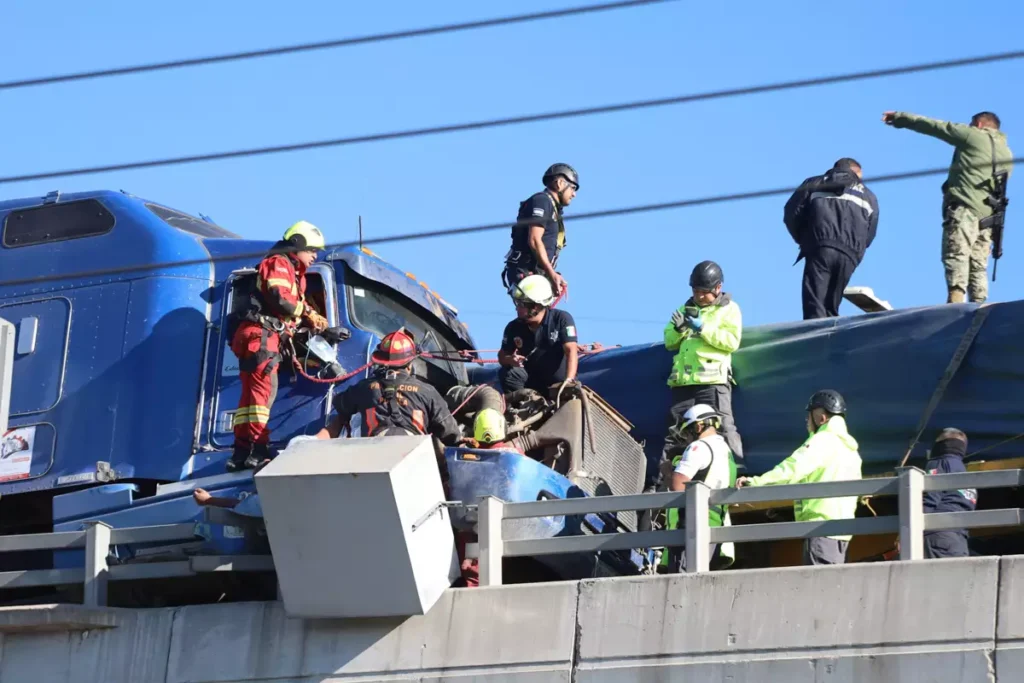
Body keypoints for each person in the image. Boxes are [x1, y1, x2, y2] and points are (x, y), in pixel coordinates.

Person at [229, 221, 333, 472]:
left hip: (257, 336)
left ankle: (241, 451)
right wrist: (308, 312)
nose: (314, 256)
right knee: (262, 396)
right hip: (260, 337)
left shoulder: (289, 269)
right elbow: (280, 298)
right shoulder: (280, 264)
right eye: (311, 250)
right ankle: (258, 449)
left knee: (250, 399)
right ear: (296, 245)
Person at [882, 110, 1014, 304]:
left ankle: (956, 299)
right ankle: (980, 305)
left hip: (965, 209)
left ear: (978, 124)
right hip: (987, 218)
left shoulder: (973, 135)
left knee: (956, 253)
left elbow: (937, 127)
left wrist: (901, 118)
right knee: (978, 264)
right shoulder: (1007, 153)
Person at [737, 390, 863, 565]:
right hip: (842, 534)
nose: (806, 420)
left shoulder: (822, 441)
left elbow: (792, 469)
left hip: (820, 528)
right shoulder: (851, 450)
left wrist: (756, 482)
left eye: (809, 415)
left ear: (821, 417)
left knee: (818, 589)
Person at [662, 260, 744, 471]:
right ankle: (665, 481)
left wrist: (702, 328)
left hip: (712, 382)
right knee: (677, 433)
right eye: (696, 291)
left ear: (718, 288)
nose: (699, 296)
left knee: (723, 428)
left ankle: (738, 473)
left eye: (704, 292)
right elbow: (669, 342)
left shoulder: (729, 310)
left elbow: (731, 342)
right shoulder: (685, 309)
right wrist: (679, 330)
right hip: (684, 383)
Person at [314, 329, 461, 446]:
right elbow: (450, 434)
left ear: (380, 361)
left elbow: (341, 404)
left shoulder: (363, 388)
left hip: (374, 458)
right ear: (410, 364)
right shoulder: (427, 391)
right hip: (413, 459)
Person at [784, 158, 880, 319]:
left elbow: (791, 213)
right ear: (856, 172)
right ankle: (830, 336)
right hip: (850, 256)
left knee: (815, 302)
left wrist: (804, 239)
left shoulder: (814, 183)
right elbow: (870, 233)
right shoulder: (869, 196)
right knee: (831, 304)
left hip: (820, 247)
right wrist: (857, 250)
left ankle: (814, 338)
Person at [659, 404, 738, 572]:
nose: (687, 439)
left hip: (692, 529)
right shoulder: (726, 453)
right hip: (714, 531)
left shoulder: (699, 447)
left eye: (687, 433)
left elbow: (678, 485)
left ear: (699, 426)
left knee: (682, 585)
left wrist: (667, 472)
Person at [501, 163, 580, 295]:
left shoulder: (553, 210)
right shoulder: (542, 201)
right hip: (526, 274)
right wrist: (551, 273)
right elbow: (534, 240)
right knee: (553, 316)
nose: (574, 194)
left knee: (554, 316)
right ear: (559, 183)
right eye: (573, 188)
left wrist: (550, 275)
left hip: (535, 275)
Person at [498, 274, 579, 396]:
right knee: (507, 373)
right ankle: (522, 405)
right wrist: (510, 360)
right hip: (530, 385)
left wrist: (569, 381)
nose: (517, 308)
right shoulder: (513, 327)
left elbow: (571, 350)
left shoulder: (561, 319)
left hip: (558, 386)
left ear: (535, 306)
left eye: (521, 304)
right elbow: (502, 355)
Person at [922, 428, 976, 559]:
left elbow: (930, 498)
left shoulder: (939, 463)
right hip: (959, 539)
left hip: (937, 535)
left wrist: (908, 532)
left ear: (941, 444)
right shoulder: (963, 470)